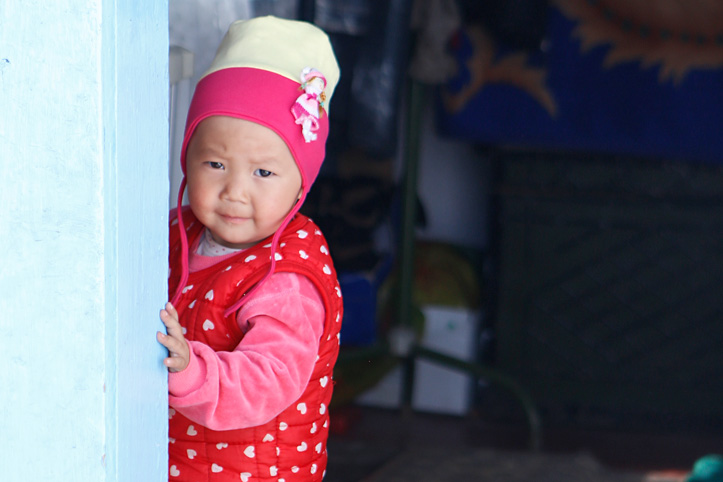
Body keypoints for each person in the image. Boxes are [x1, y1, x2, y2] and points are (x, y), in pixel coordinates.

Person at [156, 16, 342, 482]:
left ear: (302, 180)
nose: (235, 191)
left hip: (255, 471)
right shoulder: (176, 234)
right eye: (215, 163)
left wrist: (190, 371)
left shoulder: (288, 276)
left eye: (263, 173)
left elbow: (269, 378)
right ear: (187, 157)